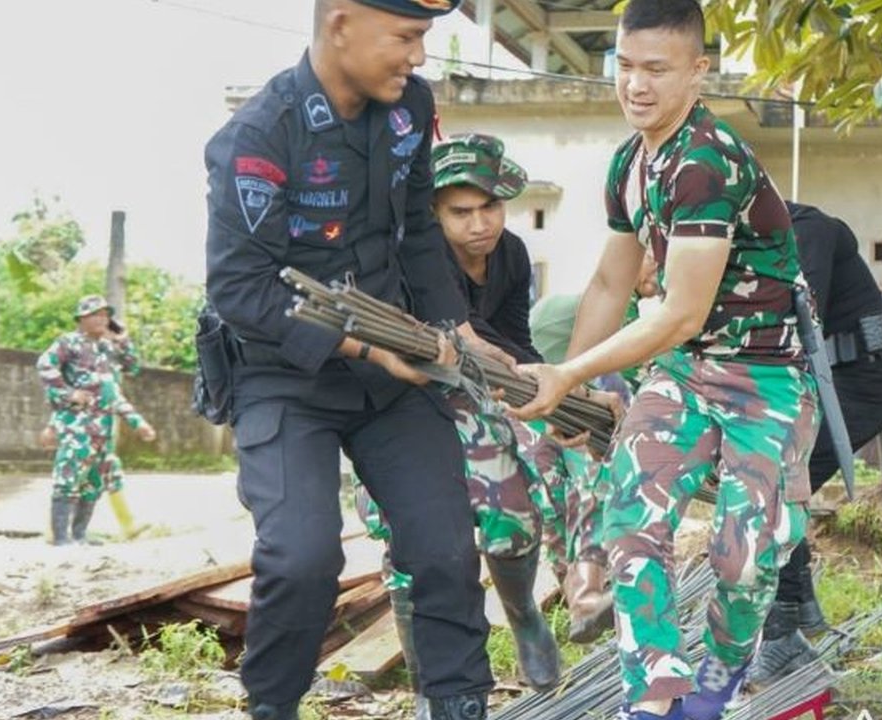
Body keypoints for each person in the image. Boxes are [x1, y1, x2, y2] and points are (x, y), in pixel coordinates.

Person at [511, 1, 819, 717]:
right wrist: (568, 389)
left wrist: (569, 372)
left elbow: (680, 310)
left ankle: (723, 665)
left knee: (744, 560)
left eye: (656, 69)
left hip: (765, 378)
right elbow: (610, 284)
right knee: (630, 520)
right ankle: (654, 695)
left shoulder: (706, 161)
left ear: (697, 72)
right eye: (624, 66)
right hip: (683, 372)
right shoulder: (631, 162)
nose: (636, 85)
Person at [203, 1, 505, 717]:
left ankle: (458, 703)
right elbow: (241, 291)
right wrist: (369, 344)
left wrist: (458, 329)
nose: (419, 57)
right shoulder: (257, 138)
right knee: (301, 558)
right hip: (283, 375)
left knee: (444, 547)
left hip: (391, 374)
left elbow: (416, 232)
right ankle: (272, 707)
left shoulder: (409, 109)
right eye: (407, 37)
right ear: (340, 24)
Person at [352, 134, 593, 700]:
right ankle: (429, 692)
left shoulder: (511, 254)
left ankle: (524, 615)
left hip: (480, 397)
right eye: (461, 212)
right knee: (414, 544)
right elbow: (456, 337)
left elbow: (512, 338)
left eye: (490, 206)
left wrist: (550, 386)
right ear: (434, 213)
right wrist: (505, 363)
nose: (480, 224)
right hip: (407, 403)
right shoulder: (417, 256)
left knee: (513, 522)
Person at [750, 201, 882, 681]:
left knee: (771, 482)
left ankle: (783, 633)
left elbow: (791, 323)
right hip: (823, 383)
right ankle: (799, 613)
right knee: (776, 483)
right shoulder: (745, 246)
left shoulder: (806, 230)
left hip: (861, 384)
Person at [527, 251, 660, 644]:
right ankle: (585, 601)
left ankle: (581, 604)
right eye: (654, 259)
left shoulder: (602, 310)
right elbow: (630, 379)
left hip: (539, 413)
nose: (661, 270)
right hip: (559, 412)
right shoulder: (610, 312)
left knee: (560, 507)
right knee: (589, 495)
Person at [36, 295, 156, 545]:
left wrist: (123, 339)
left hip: (103, 428)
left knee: (94, 483)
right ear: (81, 318)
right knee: (68, 478)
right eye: (95, 314)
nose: (102, 319)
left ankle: (79, 535)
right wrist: (69, 394)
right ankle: (61, 539)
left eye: (105, 315)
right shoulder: (69, 342)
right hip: (77, 425)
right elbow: (45, 365)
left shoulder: (107, 348)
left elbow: (131, 369)